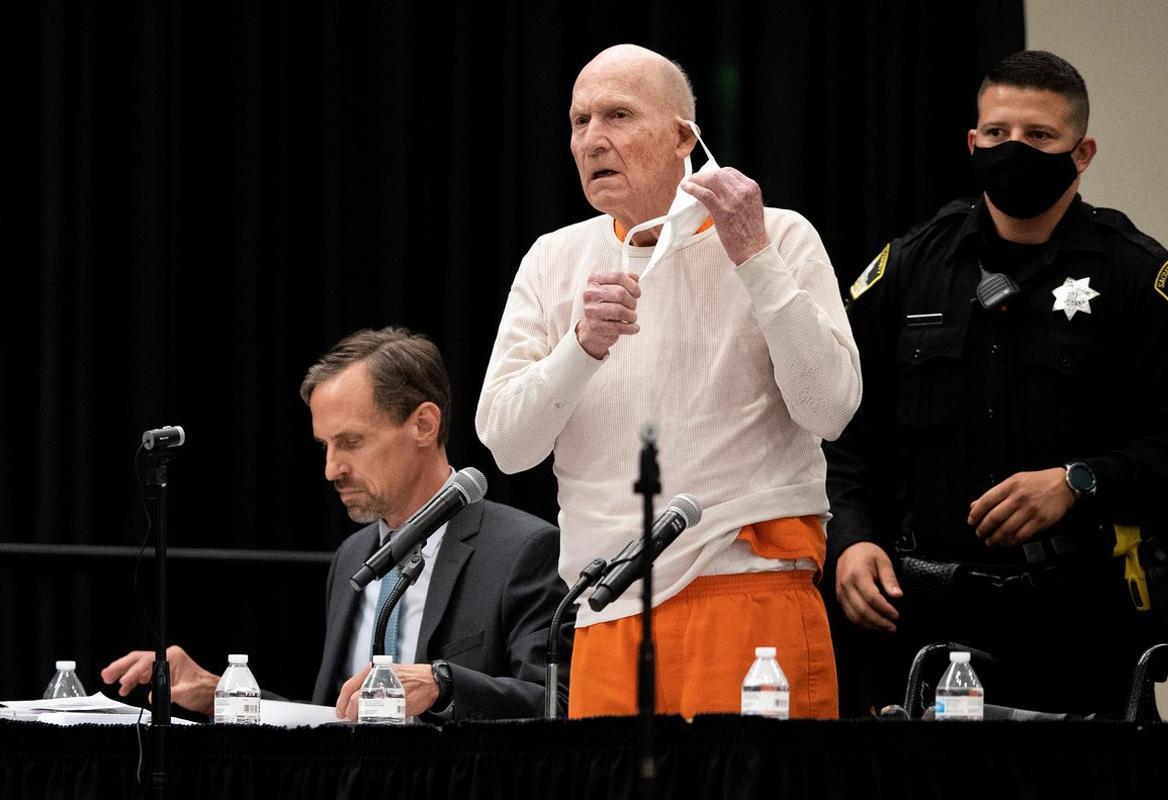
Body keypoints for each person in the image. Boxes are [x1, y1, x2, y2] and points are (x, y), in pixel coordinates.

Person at [476, 44, 861, 719]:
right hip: (603, 611)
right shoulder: (553, 259)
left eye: (618, 115)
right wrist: (580, 346)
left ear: (685, 136)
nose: (593, 138)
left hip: (746, 590)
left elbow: (829, 407)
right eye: (579, 120)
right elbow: (506, 445)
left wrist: (753, 257)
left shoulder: (778, 234)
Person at [824, 50, 1168, 717]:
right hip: (923, 619)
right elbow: (844, 428)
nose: (1014, 150)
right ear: (972, 142)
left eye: (1039, 137)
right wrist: (852, 536)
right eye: (997, 135)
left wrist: (1078, 480)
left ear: (1081, 154)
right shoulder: (910, 267)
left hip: (1080, 624)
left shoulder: (1141, 276)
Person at [103, 327, 569, 722]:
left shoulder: (523, 550)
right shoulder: (354, 555)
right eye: (325, 445)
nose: (331, 469)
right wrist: (220, 693)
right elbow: (330, 717)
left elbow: (559, 704)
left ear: (424, 425)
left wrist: (444, 685)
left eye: (350, 441)